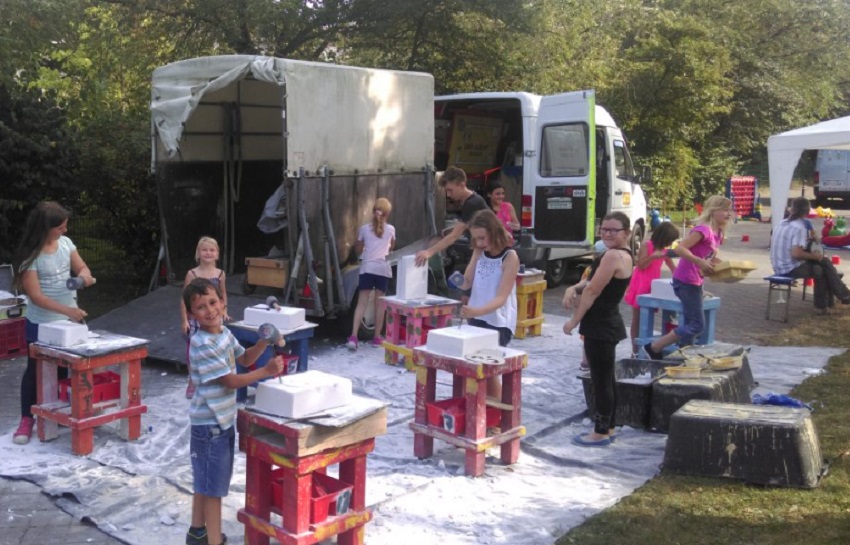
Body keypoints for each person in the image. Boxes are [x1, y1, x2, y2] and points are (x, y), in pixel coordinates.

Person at [182, 277, 284, 545]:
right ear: (191, 315)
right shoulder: (202, 343)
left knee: (206, 482)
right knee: (213, 490)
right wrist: (266, 371)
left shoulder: (225, 335)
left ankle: (197, 533)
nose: (209, 310)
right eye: (201, 307)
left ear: (222, 302)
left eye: (212, 302)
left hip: (223, 422)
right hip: (209, 427)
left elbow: (246, 358)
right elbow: (229, 381)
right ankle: (214, 541)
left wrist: (264, 341)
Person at [11, 201, 95, 445]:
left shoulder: (66, 244)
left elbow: (81, 266)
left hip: (68, 321)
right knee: (35, 371)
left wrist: (84, 276)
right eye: (60, 227)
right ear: (45, 229)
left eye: (65, 226)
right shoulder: (31, 257)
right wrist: (68, 310)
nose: (64, 231)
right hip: (41, 323)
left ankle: (57, 413)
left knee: (62, 369)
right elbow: (37, 297)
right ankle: (27, 419)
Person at [562, 212, 633, 446]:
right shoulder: (622, 254)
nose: (608, 234)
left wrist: (574, 321)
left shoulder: (612, 255)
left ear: (627, 233)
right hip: (607, 322)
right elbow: (591, 282)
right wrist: (573, 287)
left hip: (601, 324)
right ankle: (609, 427)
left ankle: (601, 432)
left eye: (614, 230)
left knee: (601, 381)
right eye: (604, 229)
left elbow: (592, 291)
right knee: (606, 378)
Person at [643, 196, 732, 360]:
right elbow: (680, 248)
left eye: (730, 210)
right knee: (697, 325)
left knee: (692, 323)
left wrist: (719, 266)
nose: (729, 213)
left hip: (696, 280)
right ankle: (654, 347)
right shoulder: (703, 230)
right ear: (713, 211)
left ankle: (683, 354)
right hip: (686, 280)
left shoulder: (718, 233)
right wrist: (699, 261)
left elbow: (707, 256)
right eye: (725, 210)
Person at [454, 209, 519, 400]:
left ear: (493, 231)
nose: (480, 243)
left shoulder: (510, 257)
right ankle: (476, 408)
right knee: (471, 368)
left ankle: (495, 411)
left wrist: (475, 311)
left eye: (482, 238)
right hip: (477, 318)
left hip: (498, 322)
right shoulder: (479, 251)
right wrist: (459, 281)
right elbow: (467, 282)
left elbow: (501, 298)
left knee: (488, 372)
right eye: (476, 239)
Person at [771, 197, 850, 314]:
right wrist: (814, 256)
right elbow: (796, 254)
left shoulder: (781, 223)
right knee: (822, 269)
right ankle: (836, 298)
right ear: (808, 212)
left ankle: (839, 296)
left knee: (823, 265)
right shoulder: (799, 228)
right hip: (790, 268)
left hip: (778, 265)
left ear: (792, 209)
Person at [180, 237, 230, 399]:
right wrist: (184, 320)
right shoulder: (192, 274)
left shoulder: (220, 274)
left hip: (214, 318)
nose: (208, 253)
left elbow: (223, 294)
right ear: (198, 253)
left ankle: (213, 378)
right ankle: (193, 380)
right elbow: (184, 298)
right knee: (193, 350)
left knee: (215, 348)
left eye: (212, 250)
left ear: (217, 254)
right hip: (196, 319)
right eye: (204, 250)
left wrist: (224, 310)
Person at [623, 222, 679, 355]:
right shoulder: (646, 245)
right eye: (670, 240)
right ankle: (635, 350)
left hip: (653, 284)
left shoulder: (664, 250)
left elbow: (672, 267)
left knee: (648, 316)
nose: (670, 243)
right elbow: (641, 265)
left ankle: (648, 345)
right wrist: (653, 256)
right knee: (637, 318)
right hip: (641, 282)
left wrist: (680, 279)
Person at [414, 166, 488, 267]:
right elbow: (466, 225)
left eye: (450, 190)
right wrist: (445, 232)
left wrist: (428, 252)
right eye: (446, 191)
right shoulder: (471, 200)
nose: (448, 195)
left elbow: (455, 235)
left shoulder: (472, 203)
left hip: (489, 251)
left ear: (462, 185)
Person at [347, 198, 395, 351]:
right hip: (382, 270)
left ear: (373, 211)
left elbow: (358, 251)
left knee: (361, 303)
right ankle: (377, 337)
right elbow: (391, 248)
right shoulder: (391, 229)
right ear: (387, 213)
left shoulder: (364, 229)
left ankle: (353, 337)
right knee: (379, 305)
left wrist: (358, 246)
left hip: (367, 269)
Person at [564, 240, 608, 370]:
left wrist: (574, 320)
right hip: (592, 310)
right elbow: (586, 287)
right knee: (590, 337)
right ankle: (587, 362)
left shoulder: (600, 269)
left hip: (597, 310)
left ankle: (587, 362)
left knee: (592, 337)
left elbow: (587, 289)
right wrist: (573, 290)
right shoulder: (592, 270)